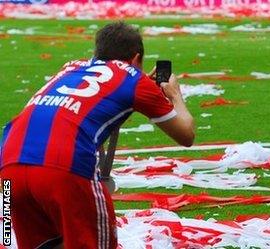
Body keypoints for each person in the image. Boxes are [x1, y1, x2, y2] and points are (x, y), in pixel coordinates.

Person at [0, 22, 195, 249]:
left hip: (8, 168)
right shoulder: (135, 78)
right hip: (64, 168)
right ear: (136, 59)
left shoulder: (71, 67)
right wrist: (175, 95)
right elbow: (186, 134)